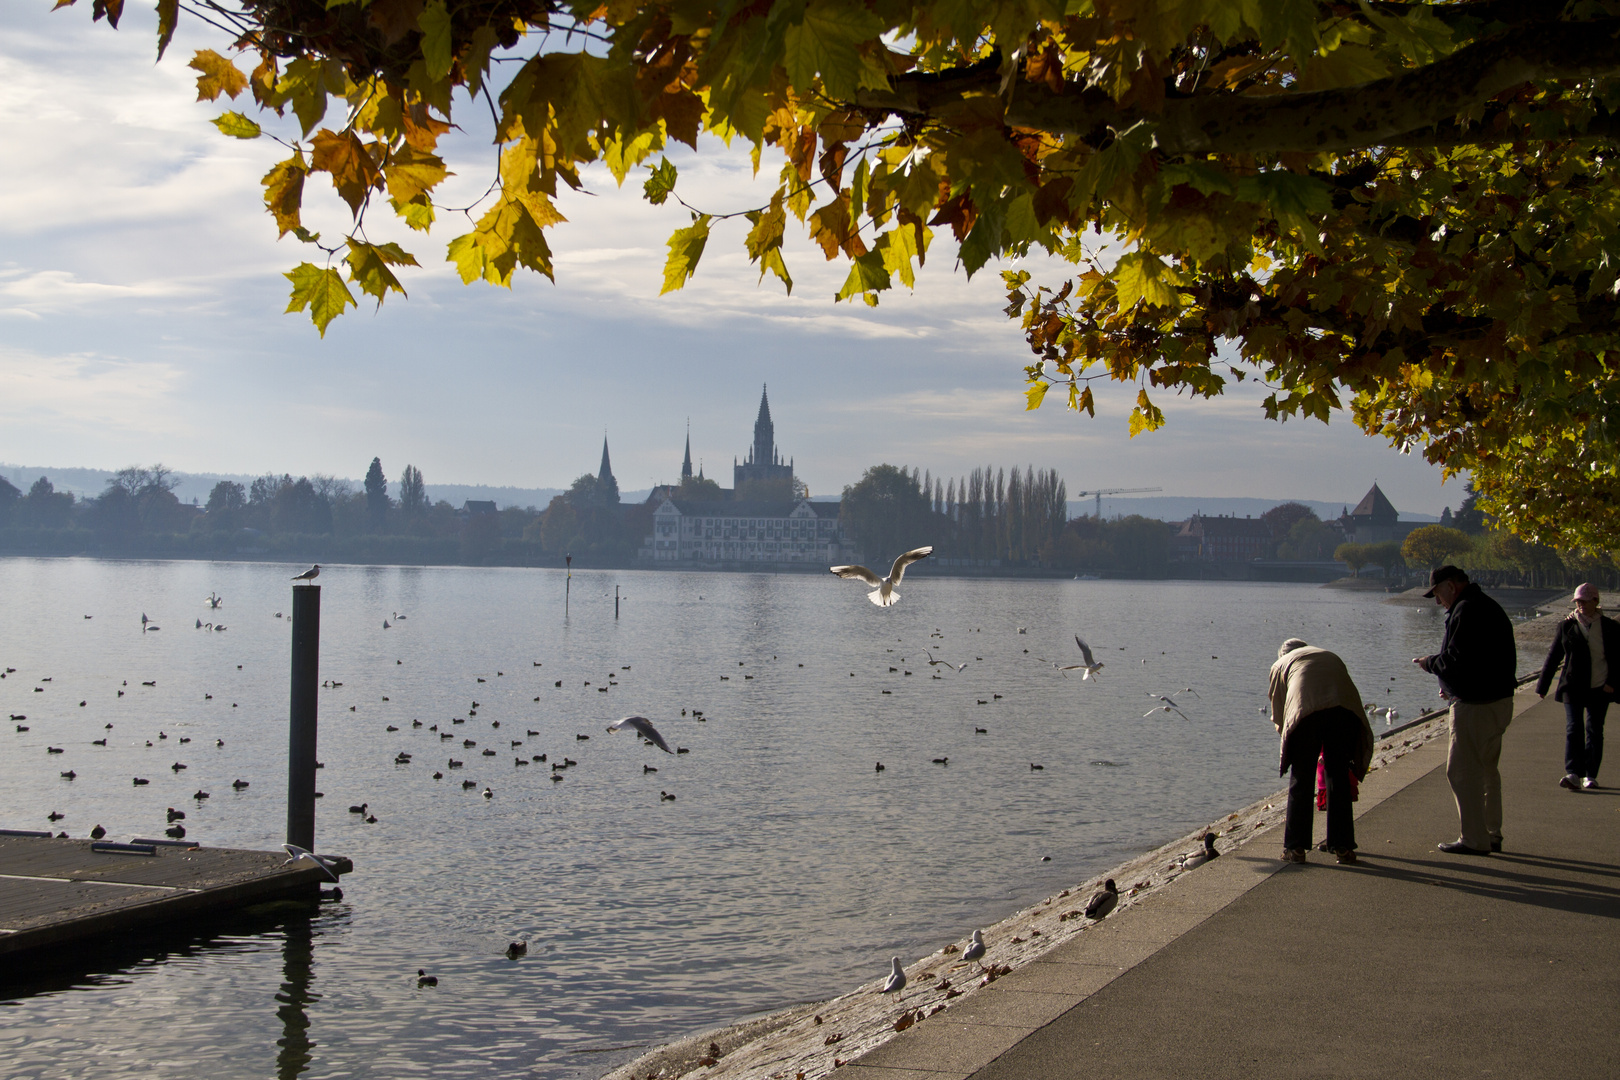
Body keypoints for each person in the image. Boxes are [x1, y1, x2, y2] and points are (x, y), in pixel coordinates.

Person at [1413, 565, 1518, 855]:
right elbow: (1478, 661)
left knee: (1460, 772)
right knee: (1487, 770)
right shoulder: (1488, 606)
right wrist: (1451, 685)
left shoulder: (1465, 610)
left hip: (1475, 705)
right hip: (1499, 700)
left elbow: (1454, 660)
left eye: (1437, 594)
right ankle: (1491, 833)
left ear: (1450, 586)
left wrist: (1428, 663)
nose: (1437, 601)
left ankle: (1474, 838)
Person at [1268, 639, 1375, 864]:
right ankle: (1343, 846)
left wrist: (1291, 746)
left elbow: (1280, 714)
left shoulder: (1281, 665)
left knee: (1302, 777)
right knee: (1338, 776)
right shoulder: (1327, 655)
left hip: (1307, 715)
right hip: (1343, 712)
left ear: (1282, 654)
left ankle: (1295, 848)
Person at [1535, 582, 1619, 791]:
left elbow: (1618, 659)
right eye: (1577, 601)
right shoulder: (1566, 626)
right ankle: (1573, 773)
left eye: (1584, 601)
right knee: (1574, 729)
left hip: (1600, 686)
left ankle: (1590, 775)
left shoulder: (1609, 627)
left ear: (1595, 601)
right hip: (1573, 686)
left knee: (1594, 730)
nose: (1580, 605)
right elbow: (1554, 656)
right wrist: (1542, 686)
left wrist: (1612, 683)